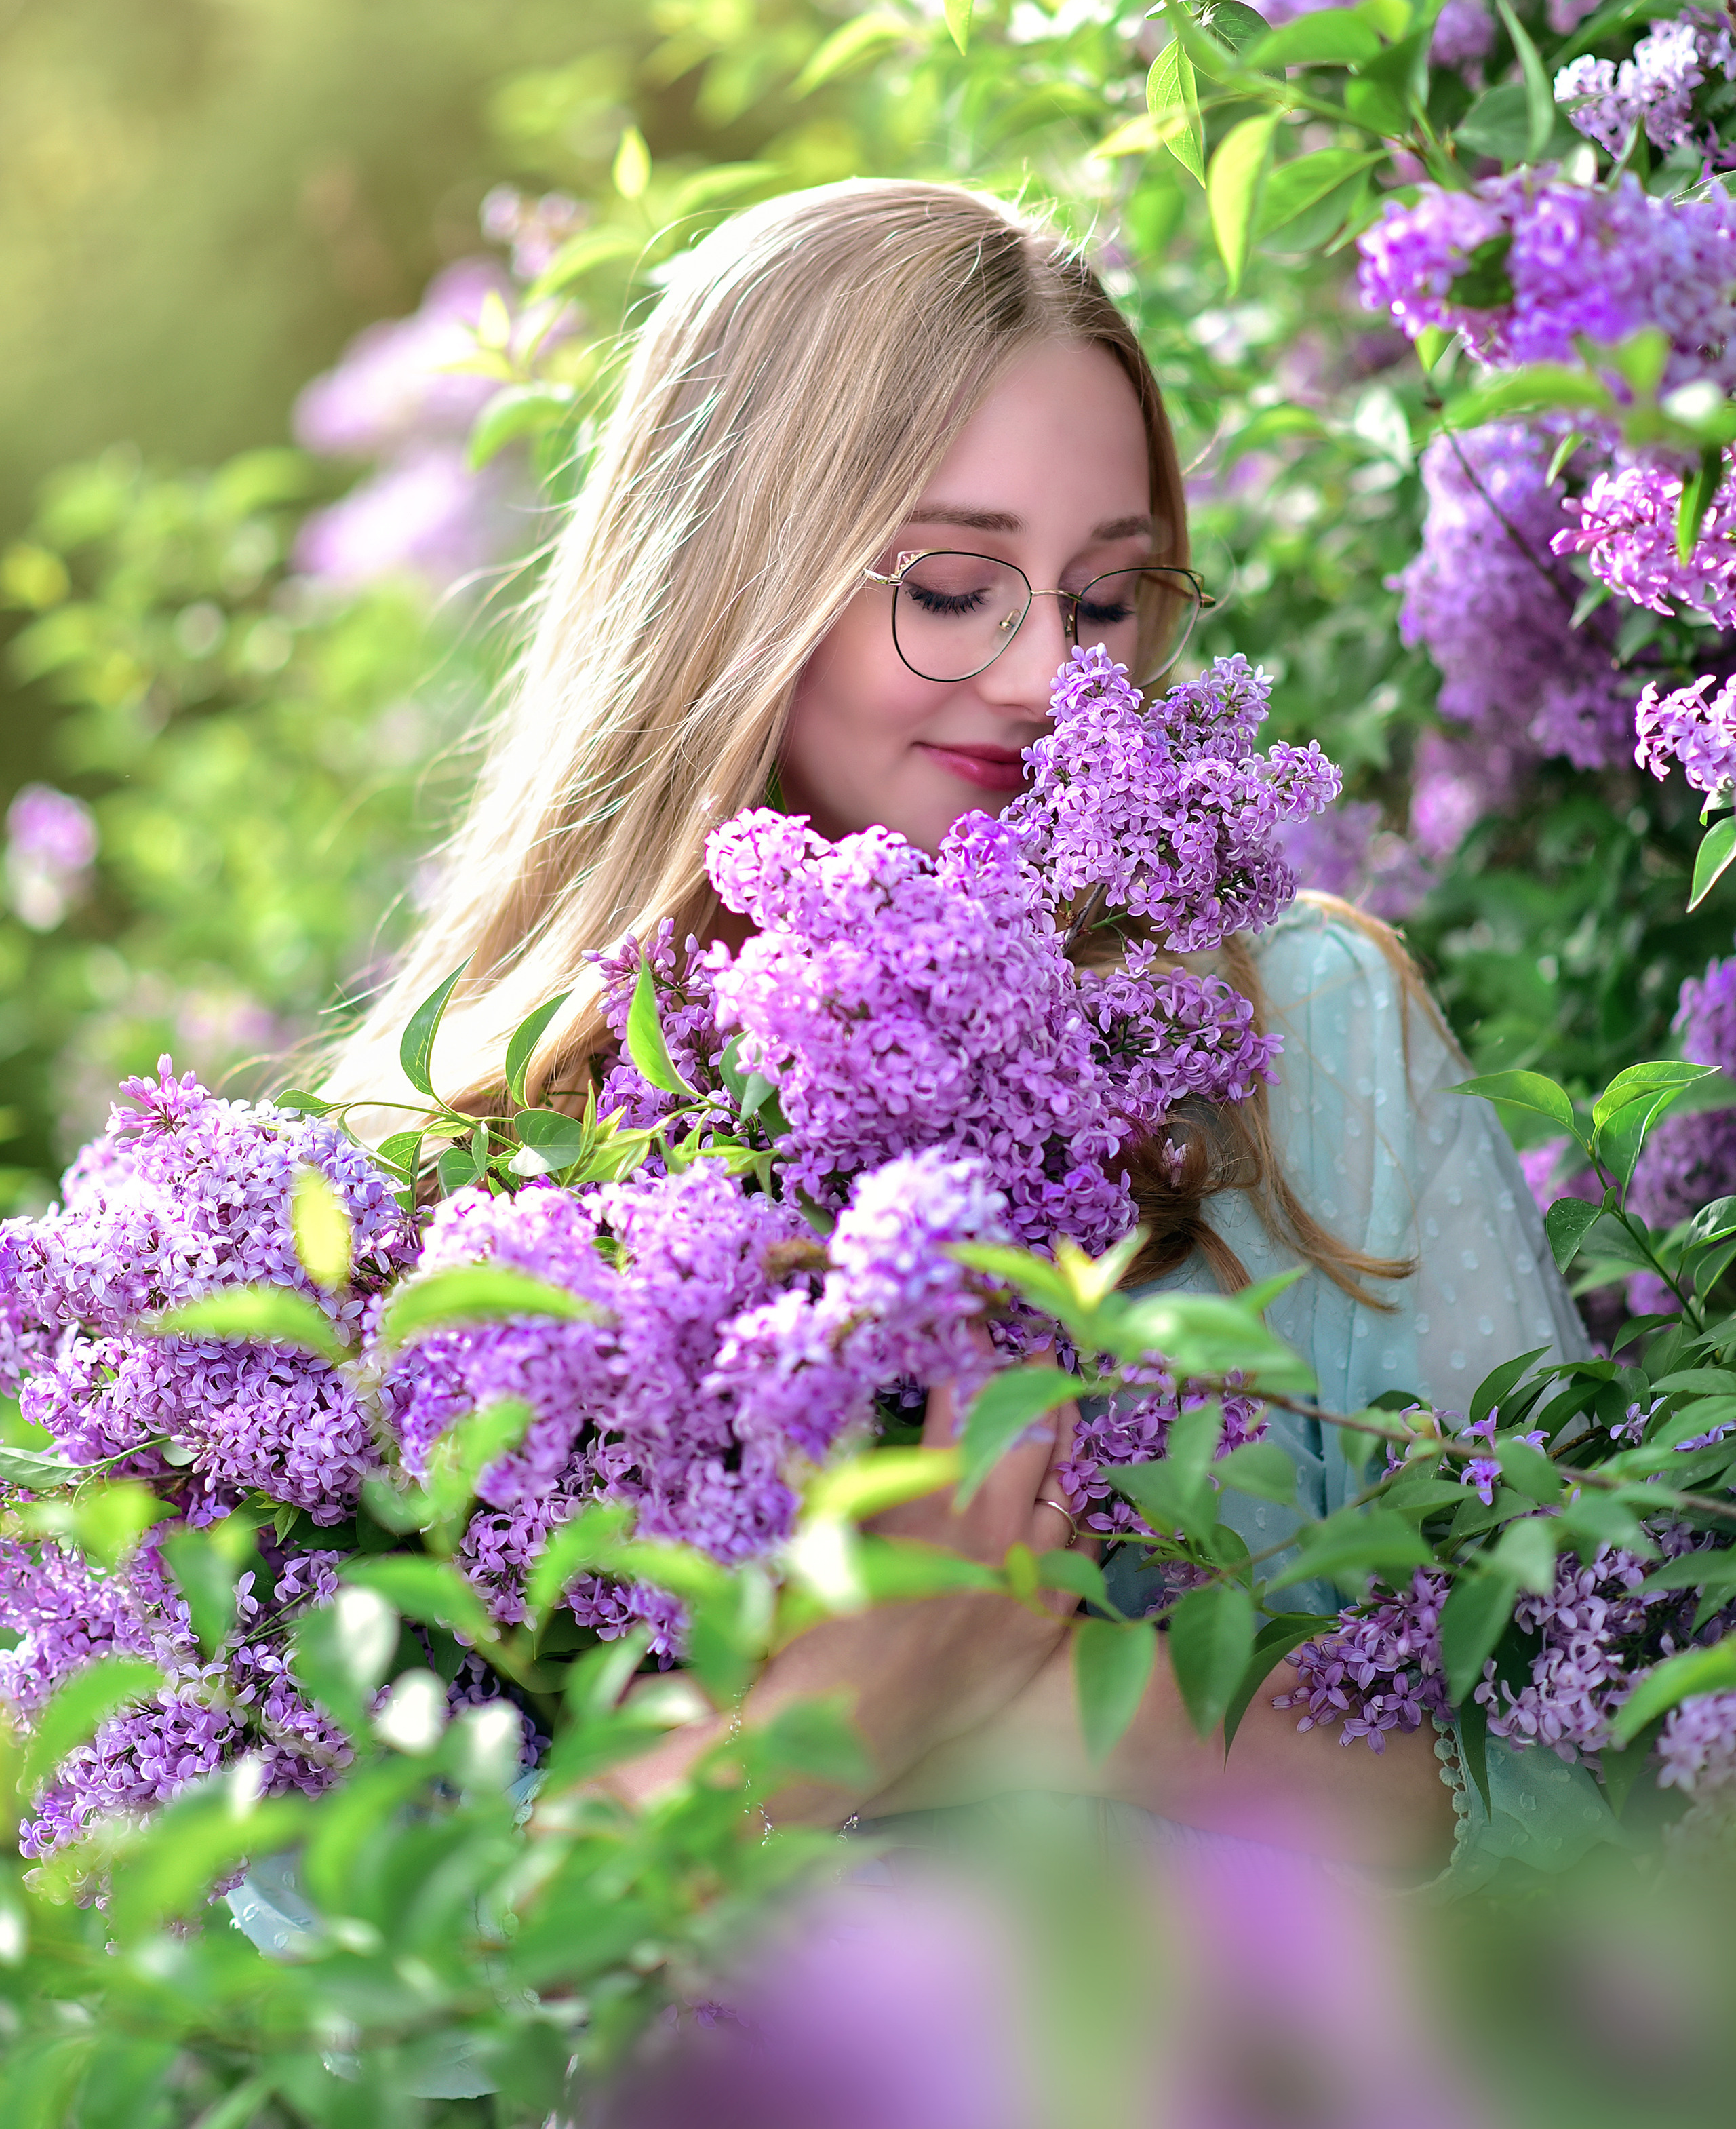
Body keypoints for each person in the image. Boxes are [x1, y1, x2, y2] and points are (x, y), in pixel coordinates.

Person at [331, 178, 1599, 1879]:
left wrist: (1092, 1698)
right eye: (948, 584)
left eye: (1100, 600)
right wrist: (858, 1700)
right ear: (728, 586)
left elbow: (1605, 1802)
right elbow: (353, 1981)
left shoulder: (1291, 1032)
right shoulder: (438, 1201)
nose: (1045, 684)